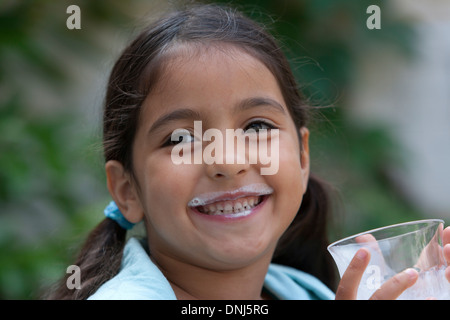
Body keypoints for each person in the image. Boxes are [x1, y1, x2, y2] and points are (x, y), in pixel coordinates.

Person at [46, 3, 450, 300]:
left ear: (303, 156)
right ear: (127, 190)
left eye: (257, 127)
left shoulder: (301, 290)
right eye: (181, 138)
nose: (229, 162)